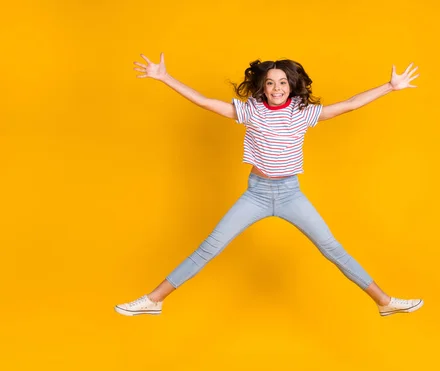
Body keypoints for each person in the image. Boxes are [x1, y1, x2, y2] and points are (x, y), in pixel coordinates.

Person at [115, 53, 423, 317]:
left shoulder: (302, 113)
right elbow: (206, 102)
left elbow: (350, 104)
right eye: (271, 82)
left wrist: (390, 87)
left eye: (283, 83)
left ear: (292, 86)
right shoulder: (251, 111)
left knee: (332, 248)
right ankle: (154, 300)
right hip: (257, 195)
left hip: (291, 194)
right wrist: (165, 77)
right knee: (209, 248)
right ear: (263, 86)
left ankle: (385, 302)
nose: (277, 88)